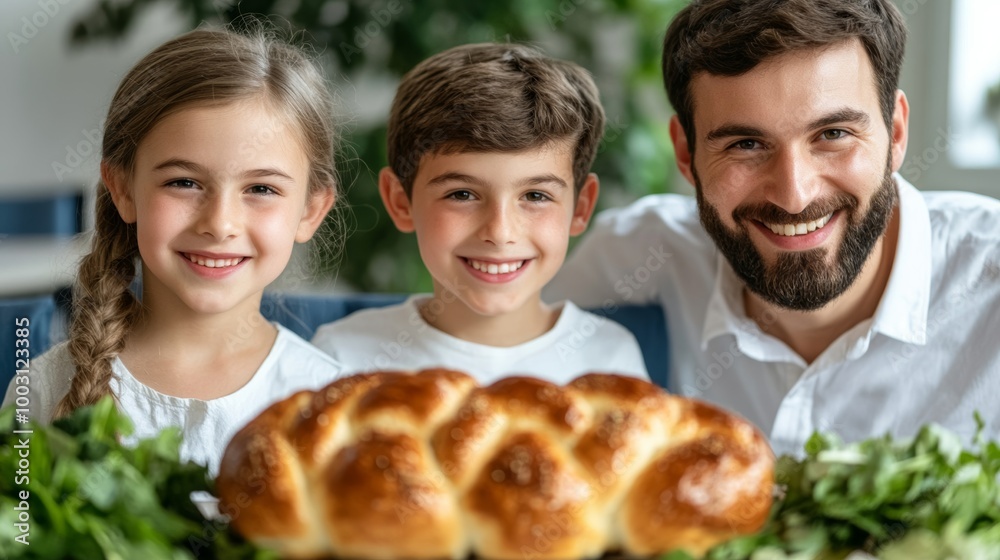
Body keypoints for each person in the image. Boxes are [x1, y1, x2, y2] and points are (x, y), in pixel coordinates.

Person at [546, 0, 1000, 456]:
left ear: (896, 133)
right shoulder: (641, 253)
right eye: (746, 144)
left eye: (833, 134)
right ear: (686, 154)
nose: (794, 195)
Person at [2, 28, 342, 474]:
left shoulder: (331, 402)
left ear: (310, 211)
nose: (220, 223)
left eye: (261, 188)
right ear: (123, 188)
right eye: (184, 182)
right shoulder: (43, 390)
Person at [311, 43, 648, 385]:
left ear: (581, 208)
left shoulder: (610, 360)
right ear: (401, 201)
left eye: (535, 195)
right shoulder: (341, 358)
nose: (500, 232)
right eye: (462, 194)